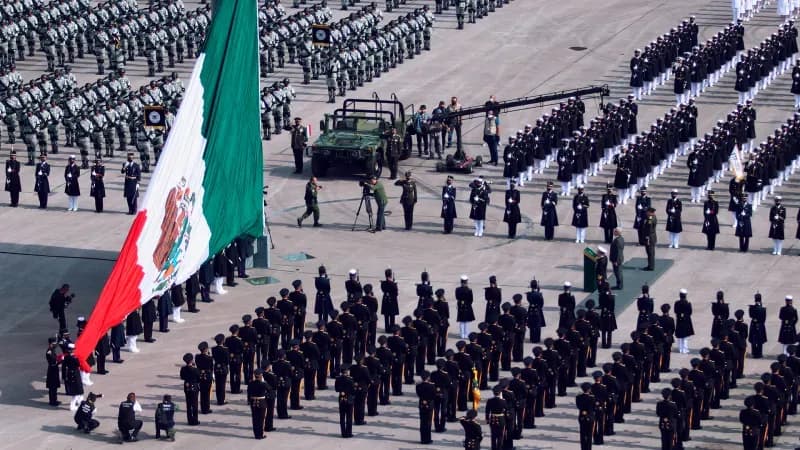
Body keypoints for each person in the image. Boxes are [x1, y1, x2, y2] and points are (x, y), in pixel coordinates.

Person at [180, 352, 200, 426]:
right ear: (191, 360)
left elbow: (182, 377)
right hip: (194, 387)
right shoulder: (195, 370)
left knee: (188, 404)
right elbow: (198, 378)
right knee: (195, 404)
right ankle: (195, 420)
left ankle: (189, 419)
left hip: (187, 386)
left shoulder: (183, 369)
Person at [248, 368, 268, 439]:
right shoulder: (263, 384)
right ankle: (260, 434)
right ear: (260, 375)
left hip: (253, 402)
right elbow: (270, 390)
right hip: (261, 402)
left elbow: (248, 393)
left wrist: (249, 401)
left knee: (255, 419)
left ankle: (256, 434)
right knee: (261, 419)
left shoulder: (251, 383)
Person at [335, 364, 355, 437]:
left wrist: (342, 390)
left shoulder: (338, 379)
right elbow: (353, 391)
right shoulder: (350, 379)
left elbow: (336, 389)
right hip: (349, 398)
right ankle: (348, 433)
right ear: (346, 372)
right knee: (349, 417)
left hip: (341, 399)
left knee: (342, 417)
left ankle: (343, 433)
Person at [485, 386, 508, 450]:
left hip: (492, 418)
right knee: (500, 436)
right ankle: (499, 448)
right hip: (501, 419)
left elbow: (487, 411)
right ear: (500, 393)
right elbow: (506, 410)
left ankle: (493, 448)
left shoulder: (490, 401)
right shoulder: (503, 401)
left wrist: (487, 419)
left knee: (493, 435)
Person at [416, 370, 436, 444]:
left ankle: (422, 438)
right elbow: (434, 395)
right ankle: (427, 439)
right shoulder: (432, 386)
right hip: (429, 404)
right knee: (428, 422)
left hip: (421, 403)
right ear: (428, 377)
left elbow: (418, 394)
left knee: (422, 421)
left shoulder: (418, 386)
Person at [576, 382, 596, 450]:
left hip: (581, 417)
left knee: (583, 434)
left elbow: (578, 406)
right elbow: (594, 408)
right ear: (589, 389)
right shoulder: (592, 398)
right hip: (590, 417)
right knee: (589, 435)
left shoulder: (578, 397)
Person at [674, 289, 694, 354]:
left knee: (679, 335)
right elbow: (690, 312)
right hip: (686, 320)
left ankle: (680, 348)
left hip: (679, 320)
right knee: (685, 336)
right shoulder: (688, 303)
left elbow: (675, 311)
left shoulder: (677, 303)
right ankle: (685, 349)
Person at [748, 293, 767, 358]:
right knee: (760, 339)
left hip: (753, 324)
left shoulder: (752, 308)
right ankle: (759, 353)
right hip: (760, 324)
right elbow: (764, 319)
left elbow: (750, 315)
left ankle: (754, 353)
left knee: (753, 339)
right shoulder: (763, 309)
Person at [45, 337, 61, 406]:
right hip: (52, 370)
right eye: (54, 343)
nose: (56, 344)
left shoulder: (52, 350)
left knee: (54, 387)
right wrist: (60, 361)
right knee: (52, 387)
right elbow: (53, 362)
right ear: (51, 343)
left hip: (54, 369)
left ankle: (54, 399)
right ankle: (52, 401)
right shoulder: (49, 351)